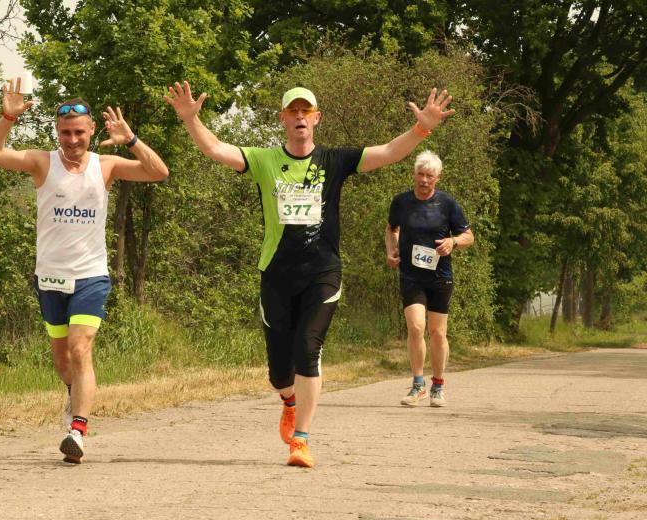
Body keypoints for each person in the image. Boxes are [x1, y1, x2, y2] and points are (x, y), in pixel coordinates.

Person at [165, 81, 454, 468]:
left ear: (317, 118)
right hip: (277, 274)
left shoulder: (334, 160)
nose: (300, 117)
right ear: (282, 119)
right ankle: (289, 402)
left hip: (322, 272)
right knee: (279, 374)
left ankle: (300, 440)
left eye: (306, 111)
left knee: (308, 349)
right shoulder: (265, 160)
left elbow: (388, 152)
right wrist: (191, 119)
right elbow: (216, 148)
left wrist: (422, 128)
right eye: (293, 111)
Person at [0, 78, 169, 463]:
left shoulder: (106, 165)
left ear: (92, 130)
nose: (72, 139)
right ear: (57, 131)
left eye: (79, 132)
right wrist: (7, 118)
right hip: (50, 277)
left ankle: (77, 431)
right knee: (63, 361)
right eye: (66, 132)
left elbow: (158, 172)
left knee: (81, 349)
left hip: (90, 276)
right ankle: (74, 394)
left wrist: (131, 140)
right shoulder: (42, 162)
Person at [385, 151, 474, 408]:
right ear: (414, 174)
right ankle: (417, 385)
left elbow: (468, 236)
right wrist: (391, 250)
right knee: (415, 327)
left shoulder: (447, 204)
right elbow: (391, 229)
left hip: (439, 277)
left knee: (437, 332)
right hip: (411, 275)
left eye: (430, 176)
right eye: (420, 174)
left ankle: (438, 386)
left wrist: (453, 242)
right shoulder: (401, 201)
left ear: (438, 178)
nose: (424, 180)